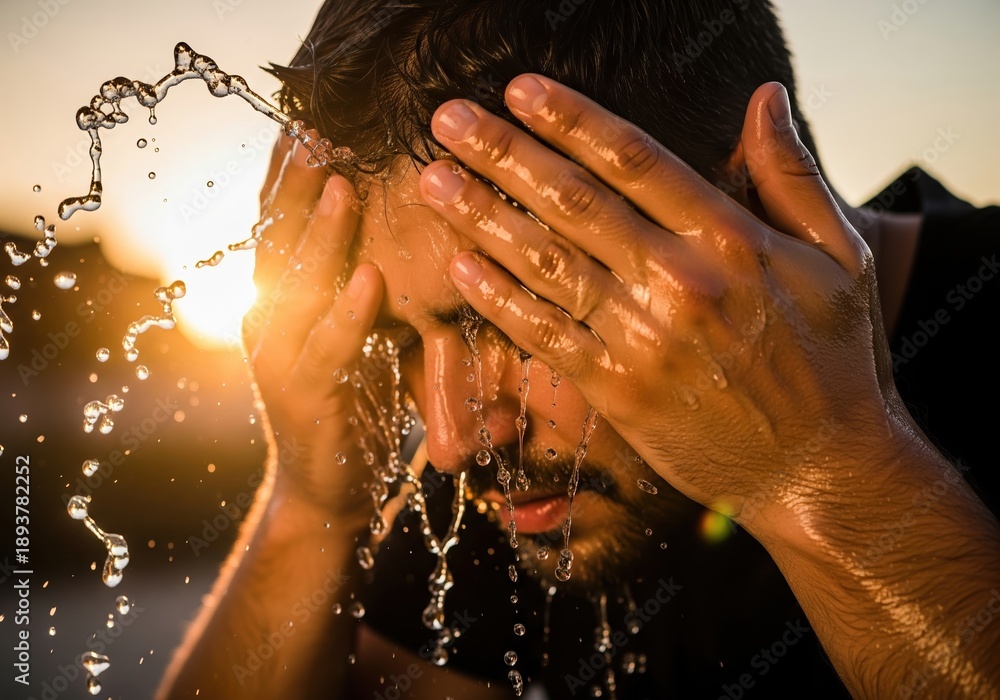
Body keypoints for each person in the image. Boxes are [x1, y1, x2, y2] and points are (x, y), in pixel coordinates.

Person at [156, 1, 1000, 698]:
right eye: (396, 339)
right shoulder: (520, 489)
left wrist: (819, 470)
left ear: (746, 198)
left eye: (511, 315)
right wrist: (309, 507)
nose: (450, 441)